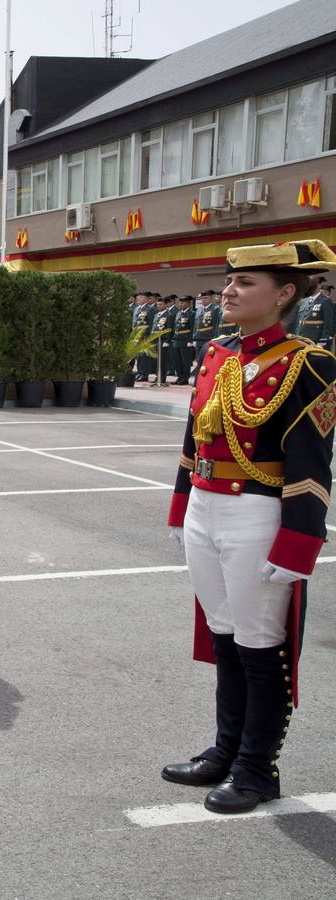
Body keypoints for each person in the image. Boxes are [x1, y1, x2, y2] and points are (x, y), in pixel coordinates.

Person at [163, 239, 336, 814]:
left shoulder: (308, 363)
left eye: (246, 284)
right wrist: (180, 503)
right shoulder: (217, 353)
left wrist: (299, 542)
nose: (230, 291)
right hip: (206, 505)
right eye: (230, 282)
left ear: (285, 294)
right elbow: (195, 440)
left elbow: (312, 464)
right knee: (225, 635)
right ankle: (226, 749)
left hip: (257, 509)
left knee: (262, 644)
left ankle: (257, 769)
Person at [173, 294, 195, 385]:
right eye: (180, 302)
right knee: (177, 360)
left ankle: (185, 378)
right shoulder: (179, 313)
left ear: (188, 304)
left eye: (182, 303)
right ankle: (180, 376)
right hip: (177, 339)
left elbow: (193, 327)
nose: (180, 304)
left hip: (185, 340)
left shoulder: (192, 314)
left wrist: (191, 341)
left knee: (185, 361)